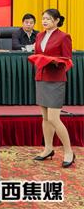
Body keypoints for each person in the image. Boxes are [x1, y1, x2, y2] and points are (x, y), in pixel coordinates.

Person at [32, 9, 75, 168]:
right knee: (45, 117)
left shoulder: (64, 37)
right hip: (41, 77)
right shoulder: (39, 36)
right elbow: (37, 54)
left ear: (56, 21)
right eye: (43, 18)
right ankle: (48, 148)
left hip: (55, 79)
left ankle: (69, 151)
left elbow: (67, 60)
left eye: (48, 19)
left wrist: (53, 61)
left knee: (54, 118)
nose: (44, 21)